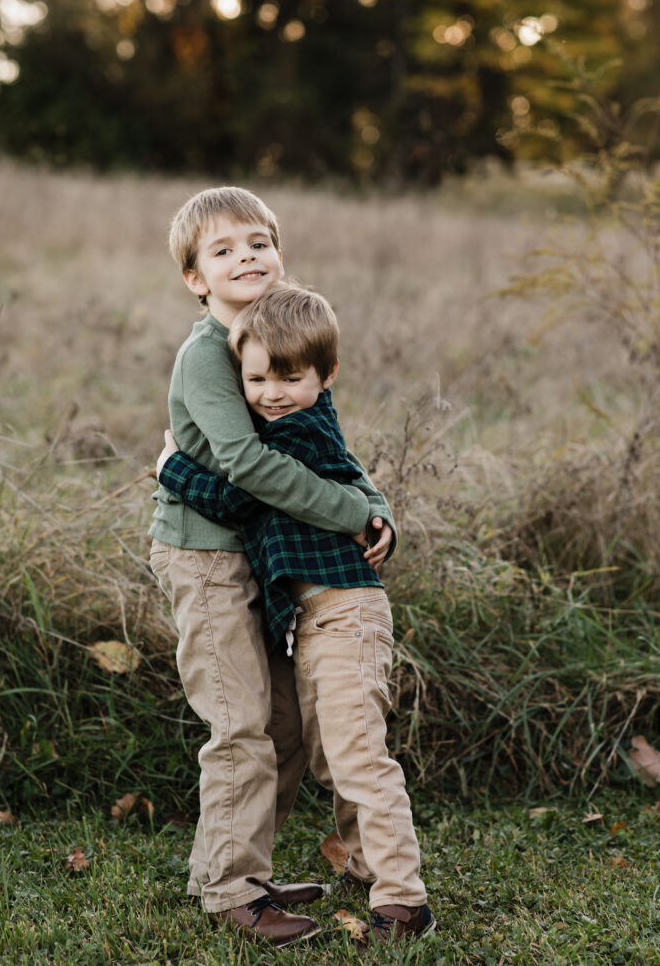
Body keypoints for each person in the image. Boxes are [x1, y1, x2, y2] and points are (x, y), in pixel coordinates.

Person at [148, 187, 394, 947]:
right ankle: (232, 892)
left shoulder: (276, 336)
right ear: (196, 278)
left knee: (282, 725)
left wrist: (376, 502)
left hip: (258, 562)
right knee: (241, 722)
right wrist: (354, 517)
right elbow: (250, 466)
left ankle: (234, 867)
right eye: (222, 251)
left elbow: (326, 446)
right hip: (205, 559)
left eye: (257, 242)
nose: (245, 258)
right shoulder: (206, 356)